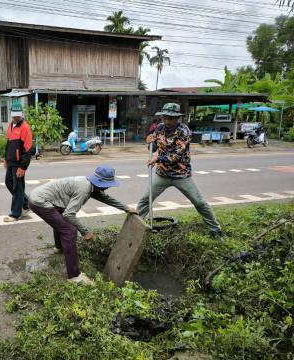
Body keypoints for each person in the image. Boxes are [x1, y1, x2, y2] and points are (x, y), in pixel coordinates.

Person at [28, 165, 138, 285]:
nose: (109, 187)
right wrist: (85, 231)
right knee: (69, 231)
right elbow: (69, 215)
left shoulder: (91, 185)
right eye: (109, 184)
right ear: (101, 182)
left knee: (61, 224)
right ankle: (74, 276)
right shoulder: (84, 189)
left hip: (44, 198)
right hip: (40, 202)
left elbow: (107, 199)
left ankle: (59, 248)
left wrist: (126, 208)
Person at [136, 103, 224, 241]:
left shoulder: (185, 131)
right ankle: (134, 228)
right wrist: (149, 142)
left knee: (200, 202)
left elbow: (176, 156)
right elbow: (153, 148)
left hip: (181, 175)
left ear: (177, 118)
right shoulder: (159, 129)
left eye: (170, 118)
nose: (167, 121)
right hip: (162, 174)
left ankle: (216, 230)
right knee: (145, 200)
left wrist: (157, 158)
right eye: (165, 117)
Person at [3, 102, 33, 222]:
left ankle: (16, 214)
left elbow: (28, 150)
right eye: (14, 114)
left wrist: (23, 167)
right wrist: (5, 159)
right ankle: (26, 204)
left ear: (21, 114)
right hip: (11, 162)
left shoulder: (25, 128)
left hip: (19, 163)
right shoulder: (11, 125)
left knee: (17, 188)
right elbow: (8, 144)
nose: (16, 117)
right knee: (9, 183)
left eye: (18, 115)